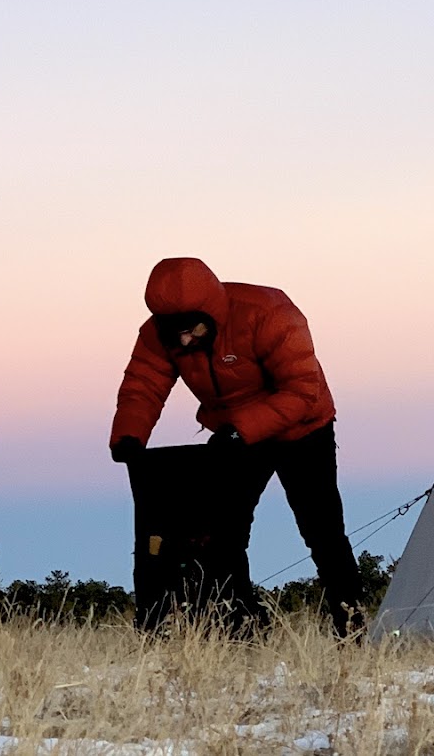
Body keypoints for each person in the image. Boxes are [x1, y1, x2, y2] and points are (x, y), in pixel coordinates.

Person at [109, 257, 365, 637]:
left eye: (192, 329)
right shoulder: (158, 333)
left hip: (302, 428)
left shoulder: (267, 313)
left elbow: (301, 390)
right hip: (236, 434)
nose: (184, 340)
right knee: (221, 535)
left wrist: (240, 431)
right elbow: (143, 384)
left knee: (323, 532)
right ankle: (244, 629)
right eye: (173, 332)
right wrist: (129, 437)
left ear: (211, 313)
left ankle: (352, 628)